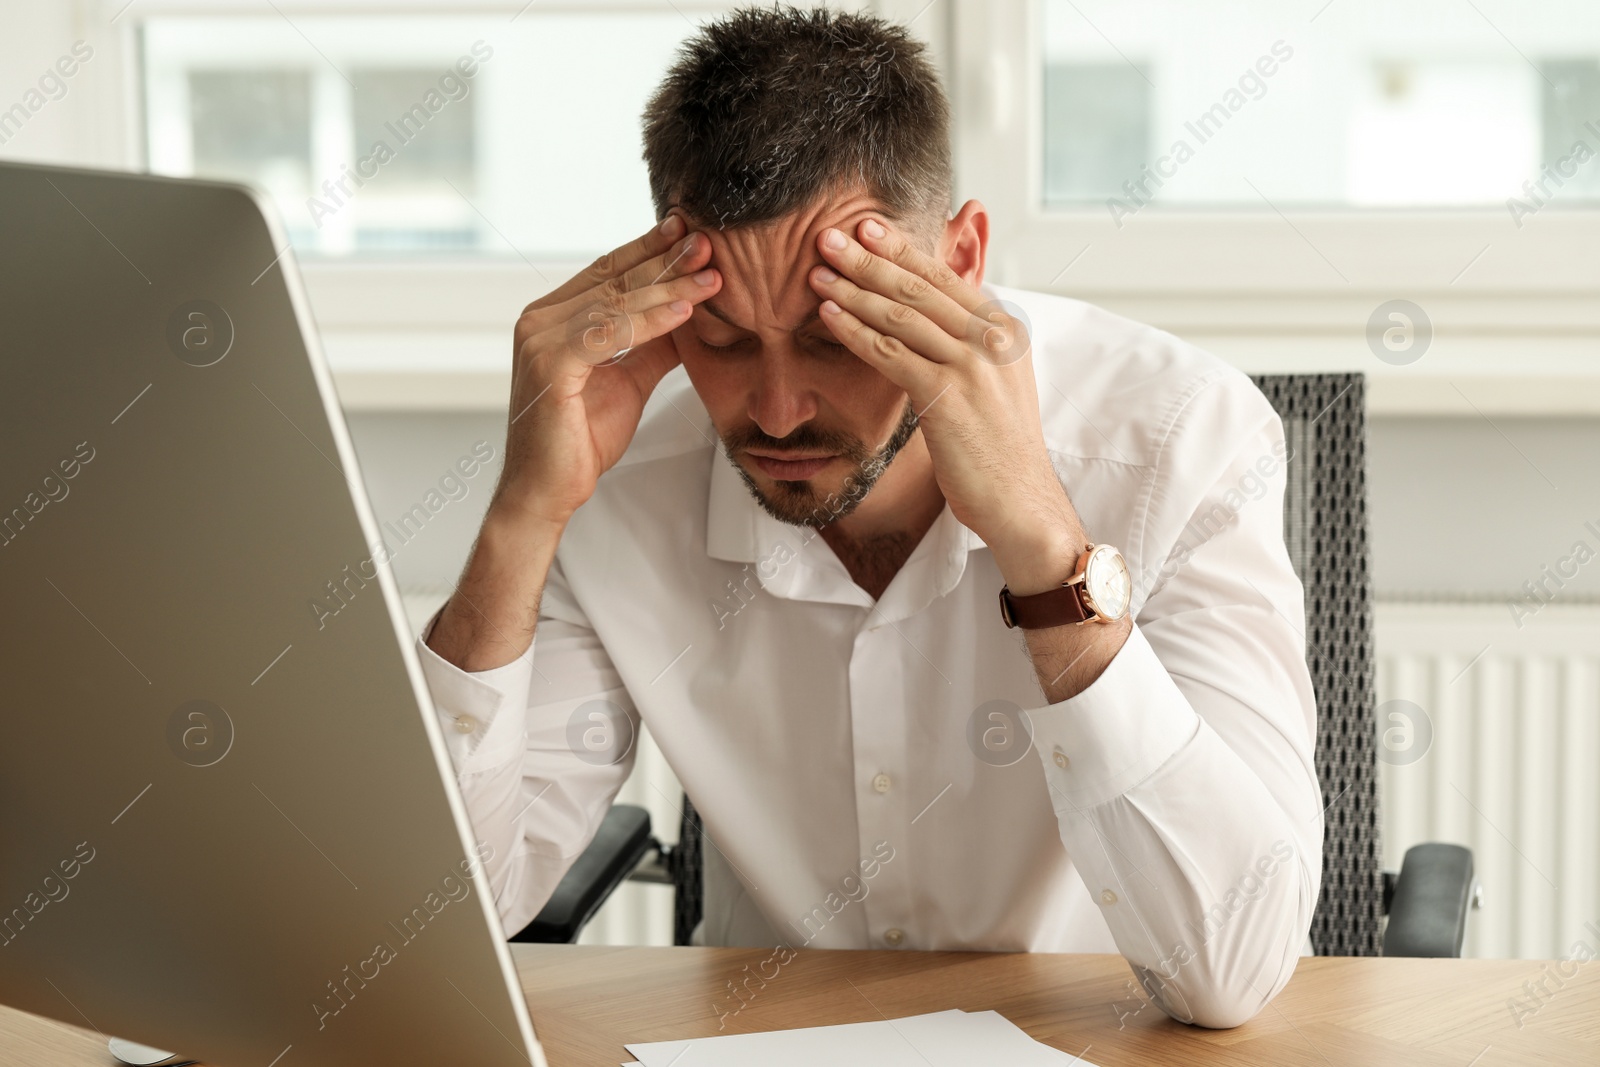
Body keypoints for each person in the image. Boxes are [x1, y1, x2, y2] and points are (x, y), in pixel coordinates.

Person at [420, 5, 1321, 1029]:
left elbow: (1233, 971)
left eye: (835, 336)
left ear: (961, 258)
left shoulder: (1179, 439)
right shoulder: (619, 483)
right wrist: (522, 516)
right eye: (717, 339)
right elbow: (426, 921)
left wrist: (1040, 542)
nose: (774, 409)